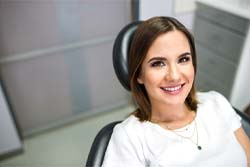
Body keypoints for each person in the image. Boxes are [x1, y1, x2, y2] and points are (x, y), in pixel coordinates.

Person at [102, 16, 250, 166]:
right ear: (139, 74)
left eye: (183, 59)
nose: (174, 75)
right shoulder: (129, 137)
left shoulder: (217, 103)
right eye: (158, 63)